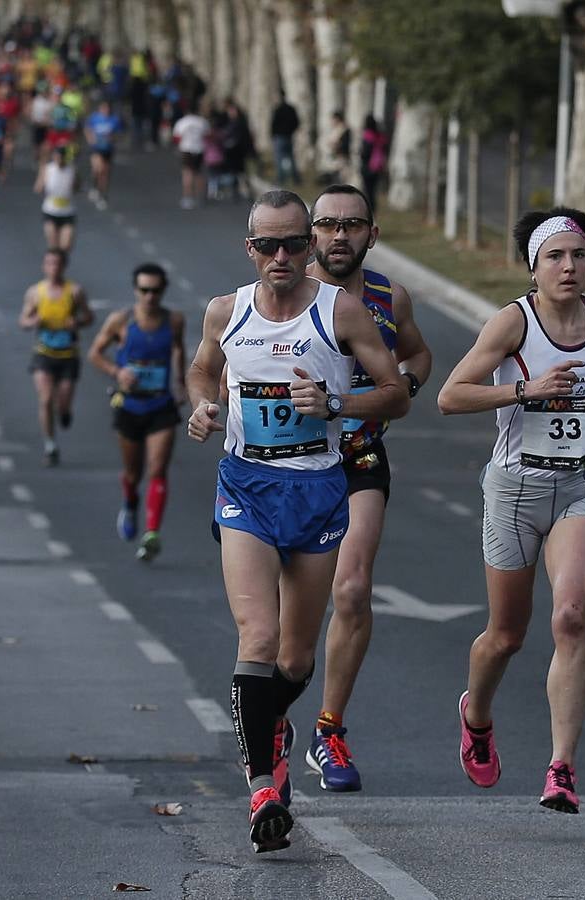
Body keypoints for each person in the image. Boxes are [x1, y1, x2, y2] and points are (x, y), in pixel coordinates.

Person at [186, 190, 409, 852]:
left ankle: (274, 725)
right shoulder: (226, 311)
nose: (280, 257)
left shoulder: (340, 311)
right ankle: (262, 790)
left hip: (316, 489)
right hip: (245, 489)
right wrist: (201, 407)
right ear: (248, 248)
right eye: (267, 246)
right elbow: (203, 370)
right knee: (257, 637)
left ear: (308, 247)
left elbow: (395, 392)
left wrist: (336, 399)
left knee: (295, 656)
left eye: (292, 244)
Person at [437, 207, 585, 814]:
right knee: (507, 636)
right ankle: (478, 714)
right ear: (533, 267)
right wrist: (526, 390)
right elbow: (450, 396)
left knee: (571, 617)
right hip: (516, 490)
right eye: (556, 257)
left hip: (580, 486)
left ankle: (561, 769)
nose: (570, 267)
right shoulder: (512, 325)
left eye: (580, 256)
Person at [302, 184, 432, 791]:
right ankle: (273, 721)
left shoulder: (388, 296)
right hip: (288, 465)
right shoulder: (284, 292)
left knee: (351, 591)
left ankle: (329, 730)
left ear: (371, 235)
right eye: (327, 225)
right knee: (284, 618)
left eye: (352, 225)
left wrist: (402, 383)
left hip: (358, 456)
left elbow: (419, 354)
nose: (339, 236)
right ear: (311, 234)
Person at [88, 263, 186, 562]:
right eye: (144, 290)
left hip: (160, 404)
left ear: (163, 290)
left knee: (157, 469)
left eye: (155, 291)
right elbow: (94, 353)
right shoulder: (121, 321)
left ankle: (152, 532)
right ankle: (130, 502)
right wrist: (117, 372)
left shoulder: (174, 321)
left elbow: (179, 349)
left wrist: (181, 383)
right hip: (130, 405)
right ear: (136, 290)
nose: (150, 297)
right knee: (133, 473)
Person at [19, 248, 93, 466]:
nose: (53, 268)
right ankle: (50, 445)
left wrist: (77, 322)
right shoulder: (35, 292)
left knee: (62, 403)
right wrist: (34, 322)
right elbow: (22, 321)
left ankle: (64, 412)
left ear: (64, 266)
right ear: (44, 266)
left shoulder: (75, 292)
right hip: (43, 353)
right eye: (49, 263)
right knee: (45, 399)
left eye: (57, 263)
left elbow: (89, 316)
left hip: (68, 354)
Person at [34, 145, 78, 252]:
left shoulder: (72, 169)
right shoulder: (48, 169)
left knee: (66, 246)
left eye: (61, 157)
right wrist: (41, 179)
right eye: (57, 157)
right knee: (53, 248)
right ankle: (55, 265)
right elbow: (38, 189)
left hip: (67, 212)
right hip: (51, 211)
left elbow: (76, 189)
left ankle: (61, 264)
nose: (59, 160)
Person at [84, 98, 123, 208]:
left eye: (107, 108)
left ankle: (103, 194)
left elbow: (119, 134)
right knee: (98, 169)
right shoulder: (95, 118)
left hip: (108, 149)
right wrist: (90, 139)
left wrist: (112, 138)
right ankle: (95, 186)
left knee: (105, 173)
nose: (105, 110)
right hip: (96, 149)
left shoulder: (114, 120)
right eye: (103, 108)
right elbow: (87, 129)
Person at [172, 101, 209, 209]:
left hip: (186, 148)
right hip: (199, 149)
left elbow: (176, 137)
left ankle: (188, 197)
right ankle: (200, 196)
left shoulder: (183, 122)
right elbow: (207, 135)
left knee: (187, 173)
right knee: (198, 173)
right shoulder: (202, 122)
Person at [270, 92, 300, 186]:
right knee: (291, 158)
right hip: (288, 136)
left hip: (279, 137)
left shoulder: (277, 109)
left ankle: (281, 179)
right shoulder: (291, 109)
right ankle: (296, 178)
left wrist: (273, 134)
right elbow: (297, 122)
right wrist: (291, 131)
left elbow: (273, 124)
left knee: (279, 158)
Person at [359, 116, 388, 214]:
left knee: (366, 190)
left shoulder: (368, 136)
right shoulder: (381, 137)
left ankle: (367, 210)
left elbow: (365, 153)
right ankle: (373, 210)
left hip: (367, 167)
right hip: (377, 168)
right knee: (373, 191)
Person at [319, 110, 350, 185]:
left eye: (333, 119)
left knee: (340, 179)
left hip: (341, 156)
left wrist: (336, 145)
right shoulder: (335, 129)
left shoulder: (344, 130)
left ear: (337, 119)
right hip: (334, 156)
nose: (332, 121)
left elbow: (345, 144)